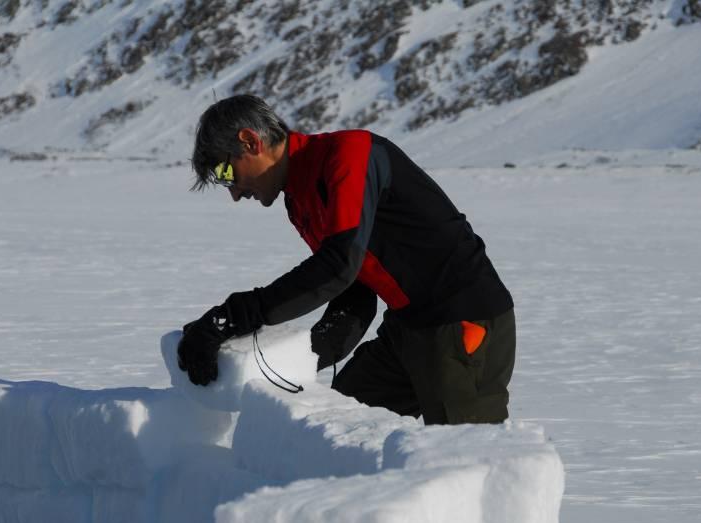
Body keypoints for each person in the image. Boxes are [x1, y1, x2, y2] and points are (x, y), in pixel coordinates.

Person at [178, 94, 515, 425]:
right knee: (337, 422)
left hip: (462, 322)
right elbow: (355, 292)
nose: (234, 193)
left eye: (225, 173)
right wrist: (300, 357)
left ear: (250, 142)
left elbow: (338, 266)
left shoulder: (349, 155)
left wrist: (230, 317)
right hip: (409, 327)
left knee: (461, 466)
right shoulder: (299, 199)